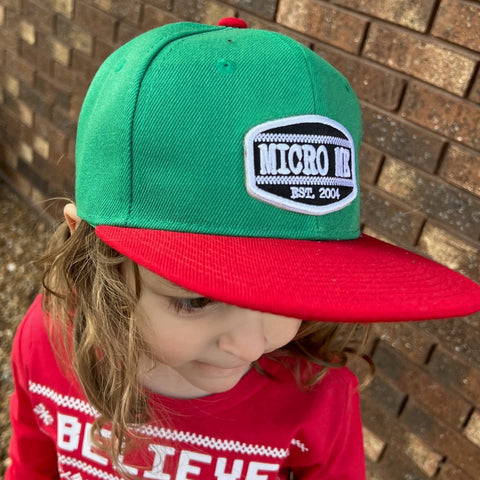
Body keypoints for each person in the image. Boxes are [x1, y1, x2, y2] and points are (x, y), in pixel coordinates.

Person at [6, 18, 480, 480]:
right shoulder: (47, 341)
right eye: (195, 299)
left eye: (291, 293)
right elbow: (31, 463)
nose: (252, 344)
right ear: (88, 249)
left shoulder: (317, 394)